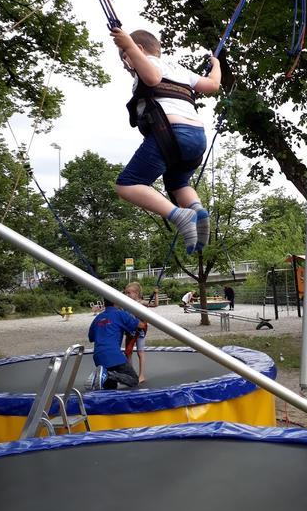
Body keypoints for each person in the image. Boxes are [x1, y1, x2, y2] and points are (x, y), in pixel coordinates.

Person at [111, 27, 221, 255]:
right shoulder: (182, 71)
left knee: (126, 184)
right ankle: (196, 209)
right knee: (178, 184)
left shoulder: (148, 66)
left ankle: (179, 215)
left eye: (126, 60)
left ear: (139, 50)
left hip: (169, 134)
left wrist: (128, 46)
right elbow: (213, 86)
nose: (127, 66)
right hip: (197, 139)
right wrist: (216, 65)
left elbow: (152, 78)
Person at [87, 299, 141, 390]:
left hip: (98, 357)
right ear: (116, 302)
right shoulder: (120, 314)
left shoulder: (97, 318)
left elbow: (91, 338)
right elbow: (140, 325)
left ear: (104, 303)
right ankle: (108, 374)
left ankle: (102, 375)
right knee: (134, 380)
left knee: (111, 388)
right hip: (114, 355)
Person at [122, 282, 148, 383]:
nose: (127, 295)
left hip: (140, 331)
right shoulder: (125, 303)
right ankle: (131, 374)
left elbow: (155, 304)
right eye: (126, 293)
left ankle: (141, 375)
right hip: (130, 331)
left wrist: (156, 294)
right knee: (128, 352)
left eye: (129, 293)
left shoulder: (141, 303)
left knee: (140, 352)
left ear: (136, 293)